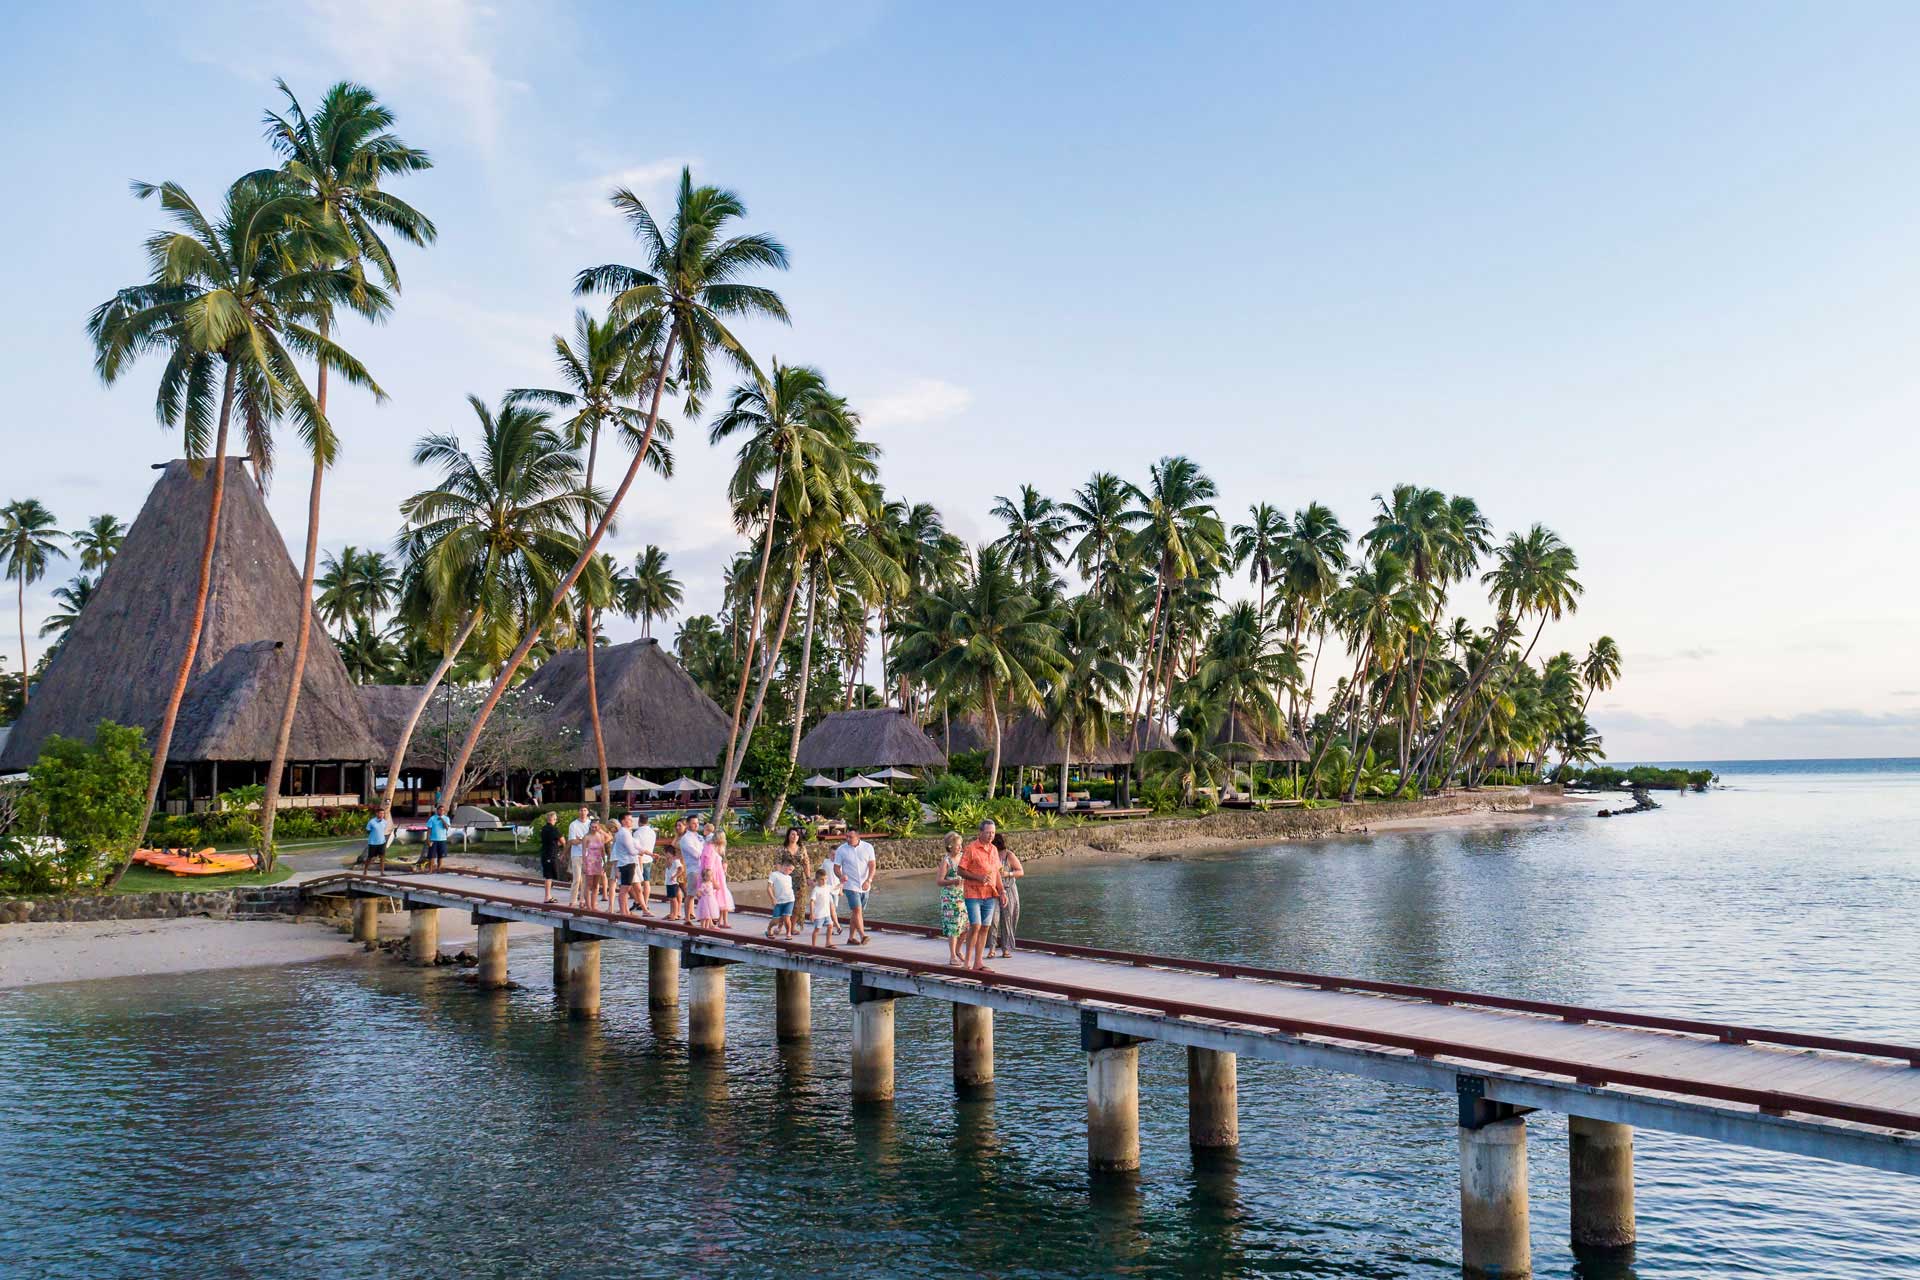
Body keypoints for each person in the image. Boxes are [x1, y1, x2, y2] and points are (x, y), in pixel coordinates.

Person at [958, 820, 1002, 972]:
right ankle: (966, 962)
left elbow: (996, 873)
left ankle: (978, 962)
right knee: (975, 925)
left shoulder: (994, 850)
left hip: (990, 893)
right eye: (988, 832)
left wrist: (1002, 892)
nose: (991, 835)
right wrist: (978, 877)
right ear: (980, 832)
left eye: (993, 833)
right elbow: (960, 870)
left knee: (985, 927)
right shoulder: (971, 848)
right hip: (973, 893)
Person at [831, 830, 878, 946]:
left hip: (865, 885)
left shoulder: (868, 847)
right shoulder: (842, 849)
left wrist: (869, 880)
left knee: (856, 913)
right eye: (846, 837)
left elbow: (872, 866)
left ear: (858, 836)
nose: (848, 839)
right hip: (850, 885)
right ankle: (863, 935)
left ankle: (851, 938)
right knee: (857, 910)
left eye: (850, 837)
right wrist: (841, 876)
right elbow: (836, 867)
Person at [989, 832, 1024, 958]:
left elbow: (1020, 871)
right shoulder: (989, 855)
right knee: (993, 920)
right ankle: (992, 948)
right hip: (993, 891)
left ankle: (1006, 948)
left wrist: (1008, 874)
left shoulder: (1008, 855)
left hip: (1008, 889)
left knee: (1008, 919)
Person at [936, 831, 967, 964]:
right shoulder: (946, 861)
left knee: (967, 925)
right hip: (950, 897)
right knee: (953, 925)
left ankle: (959, 950)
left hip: (963, 895)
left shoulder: (963, 857)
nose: (960, 847)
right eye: (958, 845)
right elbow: (939, 881)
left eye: (961, 845)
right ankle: (952, 955)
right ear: (950, 846)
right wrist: (953, 881)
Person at [611, 815, 641, 916]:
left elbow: (636, 846)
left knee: (626, 888)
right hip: (626, 863)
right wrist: (639, 852)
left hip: (627, 863)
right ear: (623, 821)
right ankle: (624, 912)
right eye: (629, 820)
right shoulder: (624, 833)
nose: (631, 821)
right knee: (624, 889)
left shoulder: (624, 833)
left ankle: (626, 911)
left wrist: (648, 853)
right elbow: (632, 851)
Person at [566, 806, 593, 906]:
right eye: (581, 810)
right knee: (577, 879)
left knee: (586, 879)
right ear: (578, 812)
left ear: (588, 812)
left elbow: (593, 839)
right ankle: (573, 900)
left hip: (588, 854)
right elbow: (572, 841)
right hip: (576, 854)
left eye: (585, 810)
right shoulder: (573, 824)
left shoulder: (590, 823)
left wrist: (580, 839)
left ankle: (583, 900)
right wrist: (584, 840)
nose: (583, 812)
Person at [584, 820, 612, 911]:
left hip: (598, 861)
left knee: (596, 885)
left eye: (596, 827)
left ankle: (594, 905)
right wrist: (584, 864)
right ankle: (588, 905)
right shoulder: (586, 837)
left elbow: (603, 850)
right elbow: (584, 852)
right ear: (590, 827)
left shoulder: (600, 836)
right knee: (588, 884)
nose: (594, 829)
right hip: (589, 861)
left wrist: (605, 862)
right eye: (592, 827)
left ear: (598, 827)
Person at [766, 856, 796, 938]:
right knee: (775, 920)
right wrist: (772, 898)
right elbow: (769, 887)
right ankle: (769, 928)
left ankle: (788, 933)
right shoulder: (774, 874)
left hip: (790, 900)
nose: (789, 872)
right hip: (778, 902)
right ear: (783, 866)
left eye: (791, 870)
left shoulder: (789, 877)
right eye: (788, 869)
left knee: (787, 918)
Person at [632, 817, 657, 915]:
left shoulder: (637, 833)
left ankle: (638, 901)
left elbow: (636, 846)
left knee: (636, 882)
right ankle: (645, 903)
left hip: (639, 858)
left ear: (639, 822)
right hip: (649, 857)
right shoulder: (652, 832)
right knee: (646, 881)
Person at [807, 867, 836, 948]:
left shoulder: (827, 887)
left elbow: (835, 888)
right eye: (822, 879)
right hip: (819, 914)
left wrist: (842, 883)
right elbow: (812, 901)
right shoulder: (816, 890)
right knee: (817, 929)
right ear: (816, 879)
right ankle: (813, 945)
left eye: (825, 879)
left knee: (830, 925)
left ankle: (828, 942)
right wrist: (812, 914)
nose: (824, 881)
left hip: (827, 913)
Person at [537, 812, 563, 900]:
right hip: (551, 855)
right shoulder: (554, 829)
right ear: (551, 819)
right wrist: (556, 845)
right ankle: (547, 897)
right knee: (549, 876)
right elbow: (563, 841)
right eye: (555, 819)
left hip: (544, 853)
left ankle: (548, 896)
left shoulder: (543, 828)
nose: (556, 820)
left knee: (548, 875)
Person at [362, 807, 391, 875]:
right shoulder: (371, 822)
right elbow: (367, 831)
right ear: (377, 814)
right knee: (370, 858)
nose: (382, 815)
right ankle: (365, 871)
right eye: (380, 813)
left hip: (382, 842)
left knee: (382, 858)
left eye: (383, 813)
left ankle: (382, 872)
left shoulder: (384, 822)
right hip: (373, 843)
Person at [424, 805, 450, 872]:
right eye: (440, 810)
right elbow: (429, 830)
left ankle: (439, 869)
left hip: (442, 839)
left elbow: (447, 828)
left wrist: (442, 819)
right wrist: (428, 839)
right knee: (431, 856)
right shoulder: (432, 818)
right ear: (437, 810)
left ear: (444, 811)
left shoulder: (446, 818)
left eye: (443, 810)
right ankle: (430, 870)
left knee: (440, 855)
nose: (441, 811)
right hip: (433, 840)